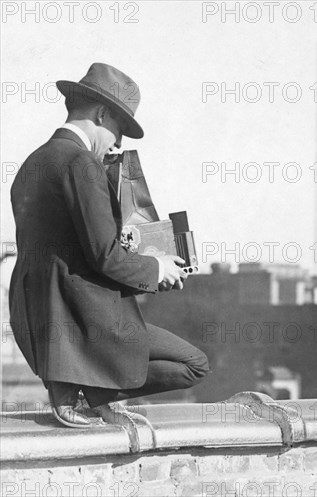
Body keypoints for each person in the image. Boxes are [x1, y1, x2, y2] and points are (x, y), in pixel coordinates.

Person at [9, 63, 209, 428]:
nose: (118, 143)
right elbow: (105, 256)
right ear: (101, 113)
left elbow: (70, 248)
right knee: (194, 364)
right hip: (83, 318)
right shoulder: (80, 163)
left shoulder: (33, 162)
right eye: (119, 129)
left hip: (42, 317)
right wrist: (158, 268)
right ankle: (81, 389)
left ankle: (83, 388)